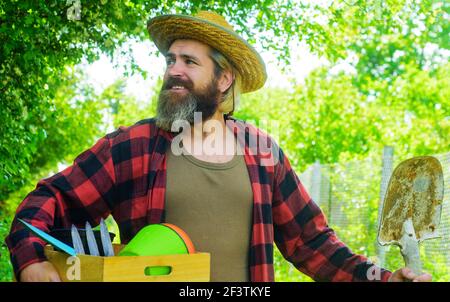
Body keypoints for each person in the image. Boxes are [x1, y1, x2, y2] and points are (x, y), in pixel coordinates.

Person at [6, 11, 431, 282]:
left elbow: (312, 243)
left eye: (190, 62)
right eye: (170, 60)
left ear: (223, 79)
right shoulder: (131, 146)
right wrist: (31, 261)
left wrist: (379, 277)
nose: (174, 71)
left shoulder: (261, 152)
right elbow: (50, 200)